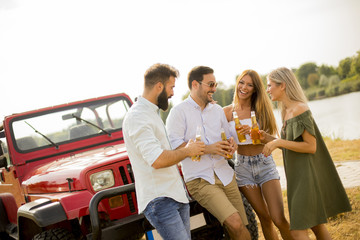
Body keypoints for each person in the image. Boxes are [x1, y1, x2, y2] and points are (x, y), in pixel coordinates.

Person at [261, 67, 352, 240]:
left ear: (283, 86)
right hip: (296, 178)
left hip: (306, 178)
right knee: (317, 226)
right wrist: (266, 138)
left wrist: (278, 142)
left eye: (270, 85)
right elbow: (292, 145)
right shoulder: (286, 112)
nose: (267, 89)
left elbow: (311, 146)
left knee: (297, 231)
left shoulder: (300, 109)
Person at [166, 66, 251, 240]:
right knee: (235, 222)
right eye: (210, 84)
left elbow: (227, 136)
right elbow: (175, 148)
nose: (214, 88)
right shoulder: (178, 112)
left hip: (225, 174)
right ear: (195, 84)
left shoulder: (217, 110)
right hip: (200, 179)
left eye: (215, 84)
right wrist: (209, 148)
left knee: (242, 226)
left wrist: (231, 145)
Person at [122, 63, 205, 240]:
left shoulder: (151, 113)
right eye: (171, 87)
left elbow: (162, 153)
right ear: (159, 86)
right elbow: (157, 160)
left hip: (174, 194)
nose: (173, 93)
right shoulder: (138, 116)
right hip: (160, 200)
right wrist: (188, 151)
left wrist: (185, 148)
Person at [223, 69, 293, 240]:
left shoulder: (261, 108)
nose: (244, 87)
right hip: (243, 168)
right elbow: (223, 141)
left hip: (264, 163)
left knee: (279, 218)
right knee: (265, 219)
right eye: (241, 82)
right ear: (237, 84)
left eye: (249, 85)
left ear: (255, 89)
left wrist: (259, 134)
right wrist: (229, 146)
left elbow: (274, 140)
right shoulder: (226, 112)